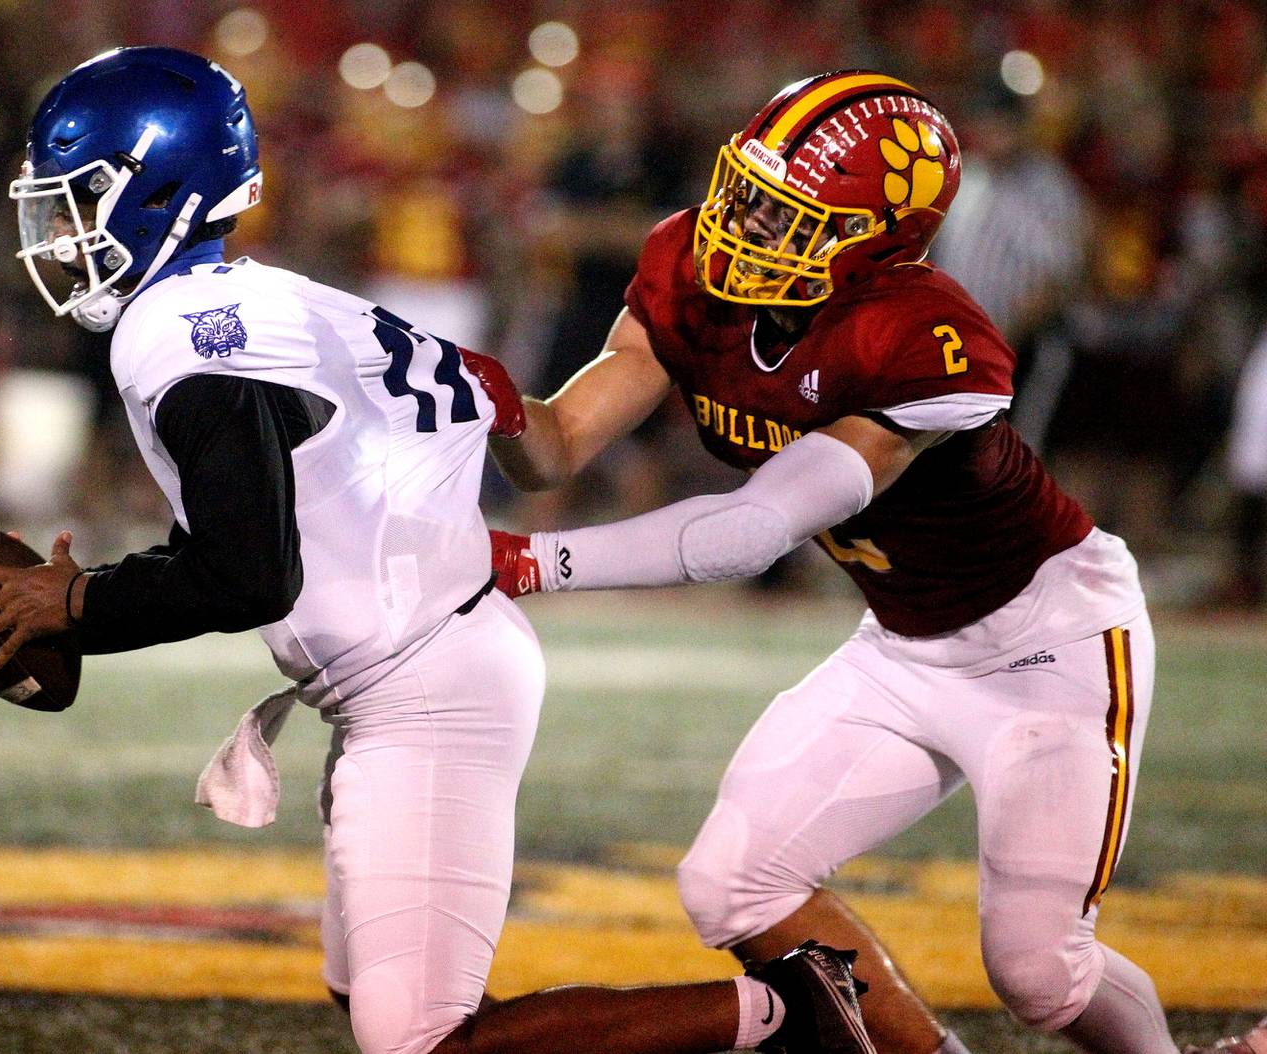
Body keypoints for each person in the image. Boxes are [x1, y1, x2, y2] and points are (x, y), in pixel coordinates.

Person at [0, 47, 874, 1054]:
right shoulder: (266, 301)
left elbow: (246, 571)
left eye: (78, 204)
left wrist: (75, 607)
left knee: (419, 1039)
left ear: (154, 191)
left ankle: (787, 1010)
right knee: (367, 992)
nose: (61, 236)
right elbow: (478, 402)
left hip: (426, 679)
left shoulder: (182, 333)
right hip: (422, 655)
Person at [483, 70, 1181, 1054]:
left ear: (873, 244)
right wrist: (483, 401)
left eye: (786, 215)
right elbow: (554, 444)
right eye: (746, 194)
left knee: (1040, 972)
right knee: (732, 881)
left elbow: (755, 529)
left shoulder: (922, 335)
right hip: (902, 643)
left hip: (1047, 647)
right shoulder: (687, 268)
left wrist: (523, 562)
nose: (743, 228)